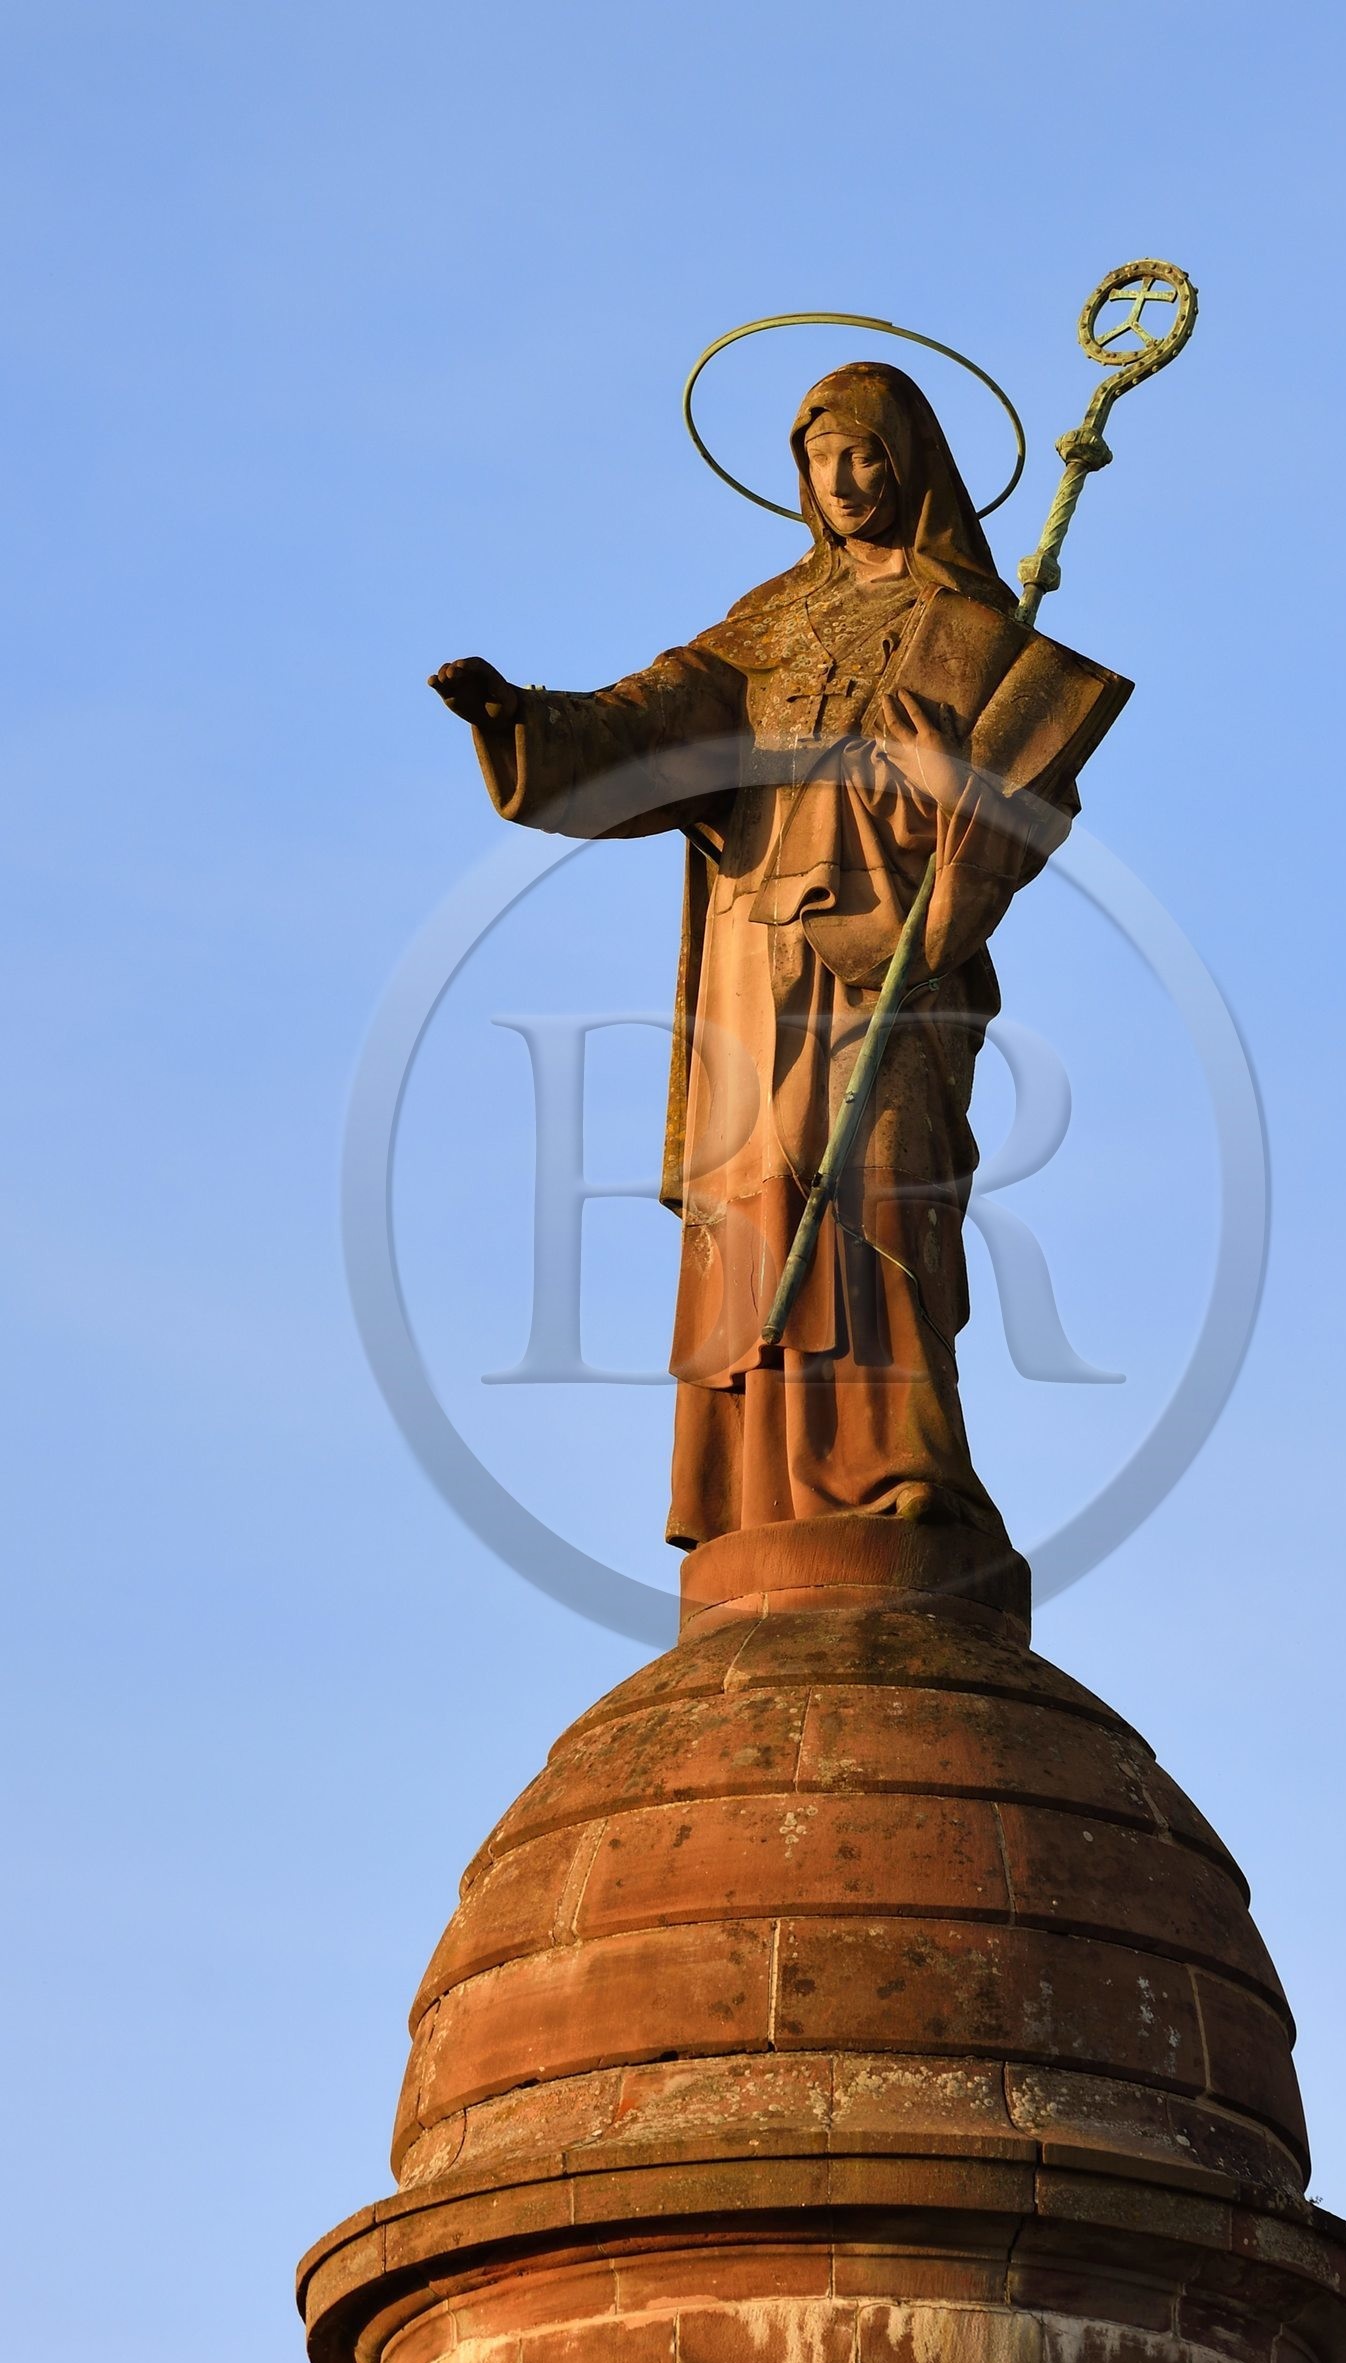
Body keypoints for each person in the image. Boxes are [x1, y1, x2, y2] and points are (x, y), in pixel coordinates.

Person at [431, 362, 1129, 1557]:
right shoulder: (771, 622)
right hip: (754, 953)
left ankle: (904, 1464)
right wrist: (524, 719)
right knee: (755, 1198)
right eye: (819, 458)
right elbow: (648, 717)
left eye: (863, 453)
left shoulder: (973, 635)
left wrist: (948, 787)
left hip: (887, 953)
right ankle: (750, 1494)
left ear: (910, 463)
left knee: (879, 1179)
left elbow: (1022, 806)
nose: (842, 480)